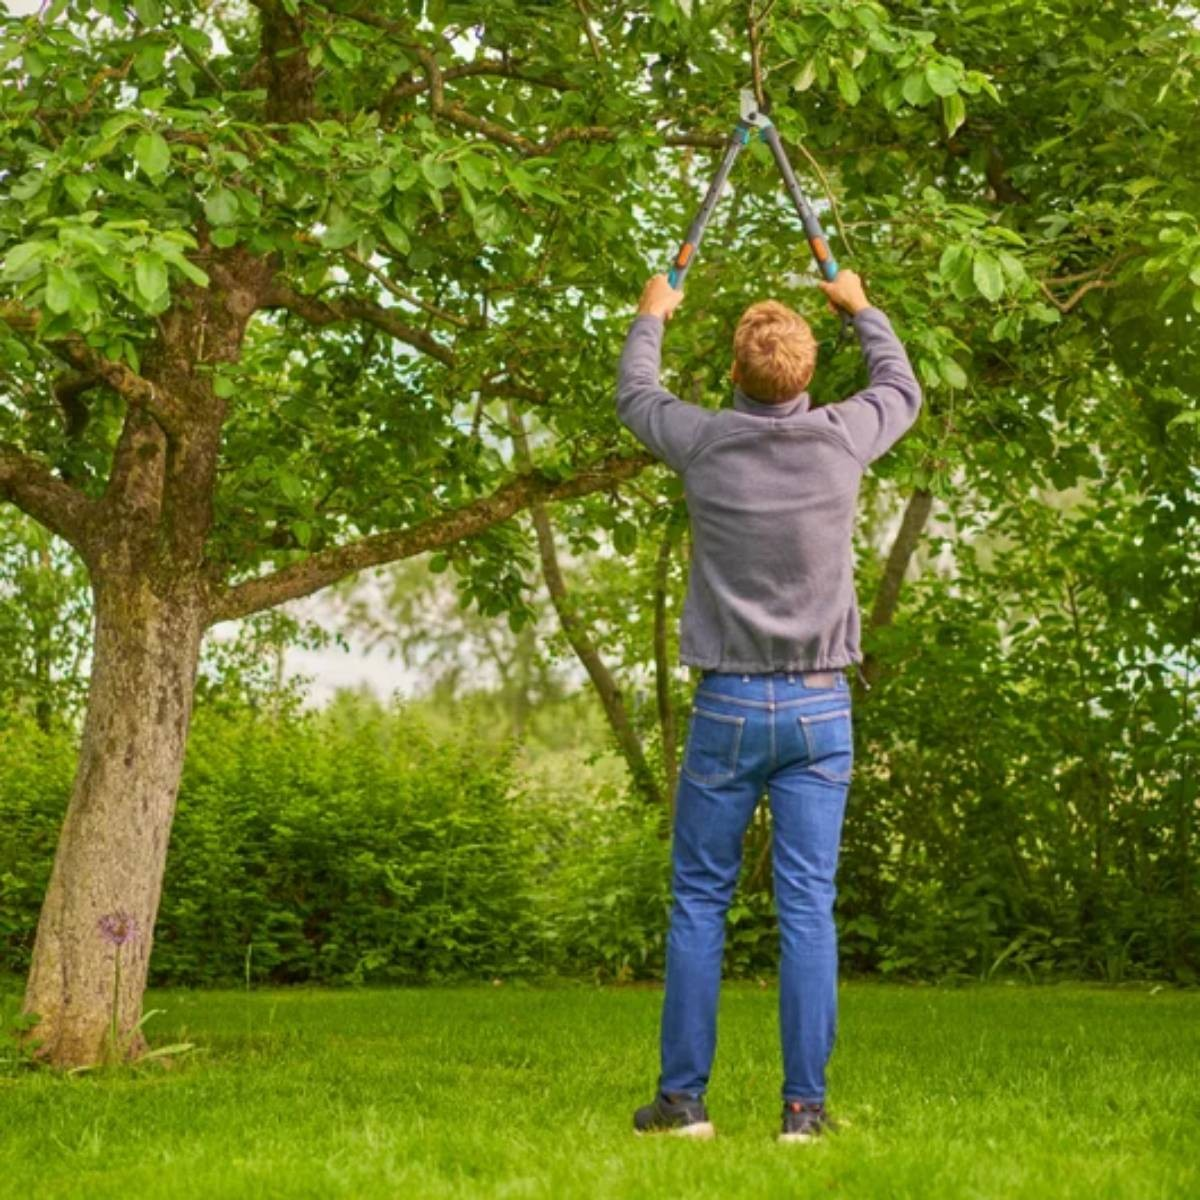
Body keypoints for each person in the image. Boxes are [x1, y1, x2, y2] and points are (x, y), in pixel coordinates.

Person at [619, 268, 922, 1143]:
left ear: (735, 373)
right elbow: (900, 383)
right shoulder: (841, 439)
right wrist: (860, 304)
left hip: (728, 708)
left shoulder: (705, 442)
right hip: (820, 709)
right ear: (807, 371)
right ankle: (805, 1113)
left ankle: (682, 1107)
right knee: (806, 907)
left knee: (699, 904)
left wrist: (651, 314)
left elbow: (637, 392)